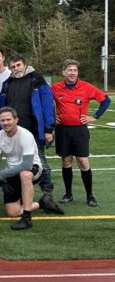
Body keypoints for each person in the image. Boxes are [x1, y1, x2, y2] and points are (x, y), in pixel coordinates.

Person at [0, 107, 64, 230]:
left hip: (33, 169)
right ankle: (42, 203)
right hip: (12, 172)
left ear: (16, 120)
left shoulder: (25, 135)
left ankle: (26, 218)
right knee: (12, 212)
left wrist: (3, 174)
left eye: (8, 119)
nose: (5, 123)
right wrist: (1, 179)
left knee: (25, 175)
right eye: (2, 120)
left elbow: (26, 165)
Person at [51, 59, 111, 206]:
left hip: (80, 130)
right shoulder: (55, 88)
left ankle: (90, 195)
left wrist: (95, 116)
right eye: (69, 70)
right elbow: (43, 101)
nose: (72, 73)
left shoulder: (86, 87)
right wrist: (52, 116)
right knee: (66, 161)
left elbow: (106, 100)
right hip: (62, 129)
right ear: (63, 72)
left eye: (75, 70)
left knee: (83, 161)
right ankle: (68, 194)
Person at [0, 54, 55, 202]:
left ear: (25, 65)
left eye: (18, 65)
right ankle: (21, 190)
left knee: (40, 161)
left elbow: (48, 104)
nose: (16, 69)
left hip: (33, 130)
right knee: (15, 161)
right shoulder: (7, 83)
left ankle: (48, 192)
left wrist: (49, 129)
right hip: (13, 132)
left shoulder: (37, 79)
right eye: (13, 67)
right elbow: (1, 104)